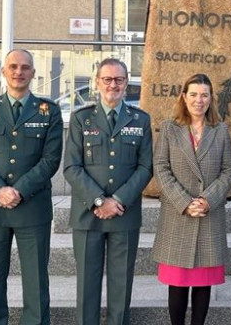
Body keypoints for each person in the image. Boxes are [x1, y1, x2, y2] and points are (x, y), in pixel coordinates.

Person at [0, 49, 63, 325]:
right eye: (13, 66)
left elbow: (50, 159)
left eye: (24, 67)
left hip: (32, 209)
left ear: (33, 73)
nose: (18, 72)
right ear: (4, 72)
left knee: (35, 281)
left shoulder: (49, 111)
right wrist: (0, 190)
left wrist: (18, 191)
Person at [64, 58, 153, 325]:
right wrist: (100, 201)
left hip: (124, 214)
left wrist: (118, 200)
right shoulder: (81, 119)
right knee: (87, 285)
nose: (113, 85)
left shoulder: (141, 119)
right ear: (97, 83)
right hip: (87, 214)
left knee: (121, 284)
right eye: (107, 79)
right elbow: (71, 167)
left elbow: (145, 167)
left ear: (126, 84)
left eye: (119, 80)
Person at [152, 73, 231, 325]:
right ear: (184, 97)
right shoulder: (169, 128)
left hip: (207, 214)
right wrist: (185, 202)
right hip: (178, 215)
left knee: (203, 283)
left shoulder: (220, 130)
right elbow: (161, 167)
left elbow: (229, 171)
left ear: (211, 99)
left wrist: (207, 200)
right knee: (177, 285)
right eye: (193, 94)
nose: (199, 100)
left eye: (204, 95)